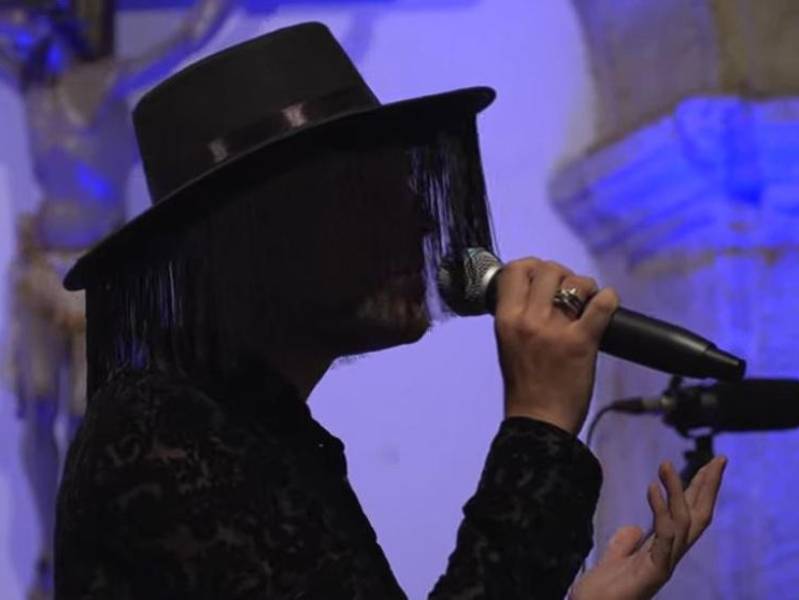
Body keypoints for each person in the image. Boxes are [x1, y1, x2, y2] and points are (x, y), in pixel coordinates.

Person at [54, 22, 726, 599]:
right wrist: (540, 421)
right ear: (262, 236)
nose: (419, 220)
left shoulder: (262, 431)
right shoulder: (161, 431)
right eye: (367, 194)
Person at [0, 2, 232, 596]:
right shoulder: (30, 87)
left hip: (97, 273)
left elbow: (185, 40)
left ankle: (84, 541)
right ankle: (51, 548)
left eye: (20, 21)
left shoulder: (100, 82)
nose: (12, 31)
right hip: (39, 271)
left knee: (85, 416)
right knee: (37, 408)